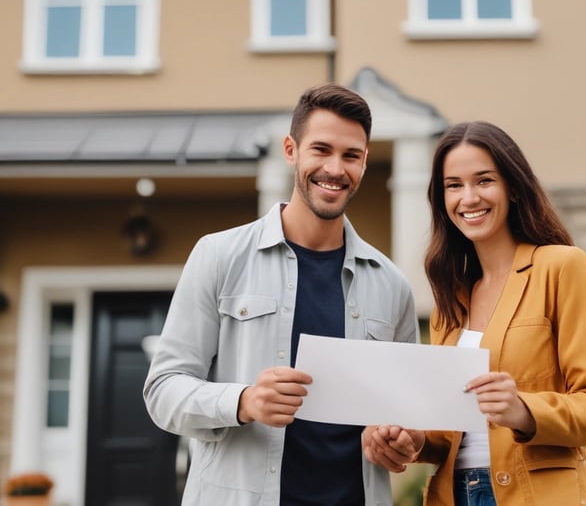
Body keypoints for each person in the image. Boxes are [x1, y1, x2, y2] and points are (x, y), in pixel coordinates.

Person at [144, 83, 419, 506]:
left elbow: (405, 416)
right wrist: (244, 401)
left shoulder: (393, 285)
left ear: (364, 162)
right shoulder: (219, 256)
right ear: (291, 150)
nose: (335, 168)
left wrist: (399, 440)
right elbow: (163, 391)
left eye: (350, 156)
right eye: (321, 149)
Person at [362, 121, 586, 505]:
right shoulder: (450, 297)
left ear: (513, 188)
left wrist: (523, 409)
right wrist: (411, 439)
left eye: (484, 181)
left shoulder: (562, 267)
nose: (468, 198)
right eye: (454, 185)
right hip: (454, 494)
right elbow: (447, 429)